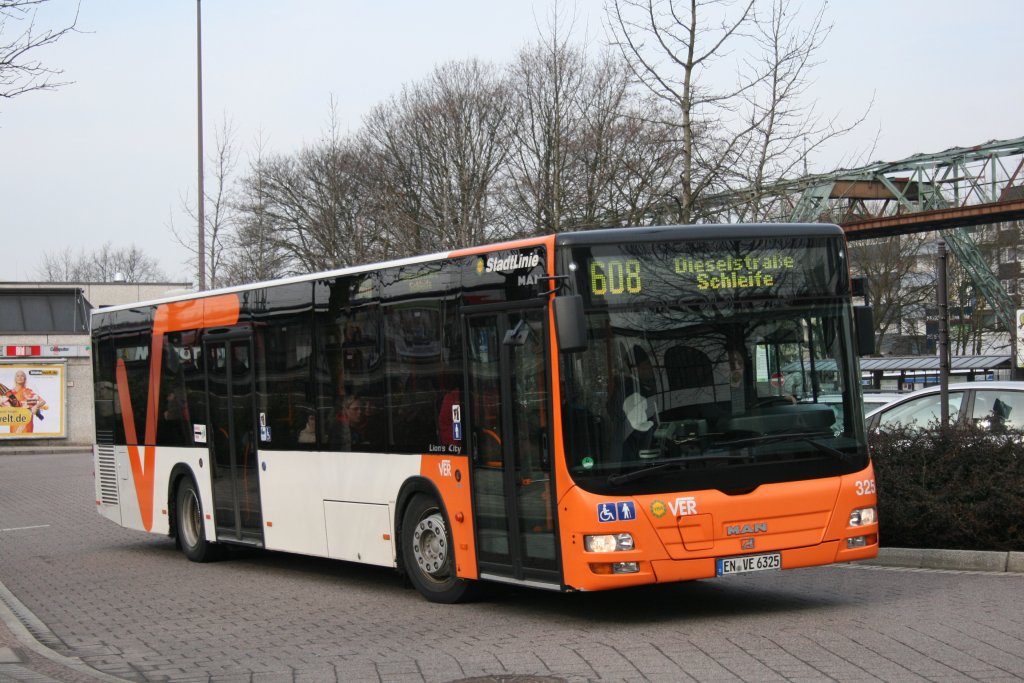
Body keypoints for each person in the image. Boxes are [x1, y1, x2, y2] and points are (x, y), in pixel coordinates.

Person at [3, 370, 46, 434]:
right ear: (15, 379)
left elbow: (42, 401)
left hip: (26, 423)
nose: (20, 377)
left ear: (25, 379)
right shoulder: (10, 393)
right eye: (18, 376)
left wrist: (35, 406)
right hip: (15, 421)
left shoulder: (28, 391)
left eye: (22, 376)